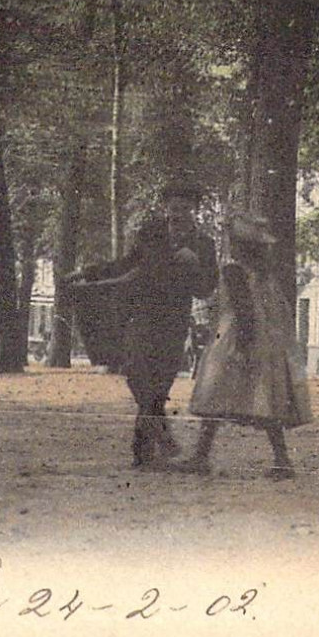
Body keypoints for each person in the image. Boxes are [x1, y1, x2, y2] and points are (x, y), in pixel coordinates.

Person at [67, 183, 218, 469]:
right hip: (143, 316)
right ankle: (160, 435)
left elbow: (207, 288)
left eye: (184, 208)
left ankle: (143, 452)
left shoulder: (204, 245)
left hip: (174, 322)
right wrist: (86, 273)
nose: (178, 214)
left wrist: (195, 266)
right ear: (165, 208)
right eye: (173, 208)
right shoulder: (150, 234)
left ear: (193, 210)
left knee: (160, 385)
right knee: (136, 372)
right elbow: (125, 264)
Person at [176, 214, 311, 479]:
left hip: (236, 338)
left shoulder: (233, 271)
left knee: (215, 392)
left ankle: (202, 456)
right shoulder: (264, 273)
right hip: (265, 341)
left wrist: (242, 345)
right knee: (261, 401)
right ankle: (280, 459)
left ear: (239, 245)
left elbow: (243, 309)